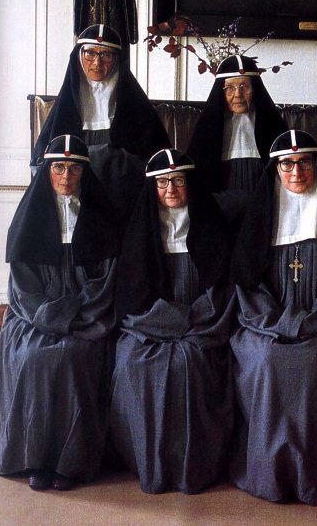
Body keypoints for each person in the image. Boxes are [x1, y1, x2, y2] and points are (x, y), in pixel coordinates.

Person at [229, 130, 317, 505]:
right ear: (276, 170)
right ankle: (269, 474)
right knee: (267, 360)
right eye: (287, 164)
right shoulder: (261, 219)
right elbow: (248, 286)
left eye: (304, 162)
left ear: (316, 165)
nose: (296, 172)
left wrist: (311, 323)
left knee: (315, 361)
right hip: (265, 328)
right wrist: (282, 324)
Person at [0, 135, 119, 491]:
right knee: (33, 358)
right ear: (47, 171)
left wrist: (76, 316)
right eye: (58, 168)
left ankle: (70, 463)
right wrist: (53, 317)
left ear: (84, 173)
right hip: (33, 317)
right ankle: (36, 459)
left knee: (73, 357)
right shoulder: (30, 219)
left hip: (88, 317)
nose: (66, 176)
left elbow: (105, 282)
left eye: (74, 169)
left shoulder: (100, 219)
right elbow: (24, 290)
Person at [109, 149, 235, 494]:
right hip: (149, 327)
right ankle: (148, 460)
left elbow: (221, 289)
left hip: (203, 324)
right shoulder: (141, 231)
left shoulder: (211, 226)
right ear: (152, 187)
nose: (170, 190)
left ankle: (192, 465)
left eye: (178, 181)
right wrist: (171, 321)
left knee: (189, 364)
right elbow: (132, 299)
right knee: (132, 361)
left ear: (189, 184)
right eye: (162, 182)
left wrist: (193, 319)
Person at [31, 24, 170, 224]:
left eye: (106, 55)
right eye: (90, 53)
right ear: (79, 56)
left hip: (121, 193)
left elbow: (156, 158)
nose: (97, 62)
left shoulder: (135, 105)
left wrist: (112, 161)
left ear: (117, 59)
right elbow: (43, 162)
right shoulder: (65, 106)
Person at [187, 55, 287, 194]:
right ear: (221, 91)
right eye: (230, 88)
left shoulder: (272, 124)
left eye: (244, 86)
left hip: (264, 200)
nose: (238, 94)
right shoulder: (208, 128)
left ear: (255, 89)